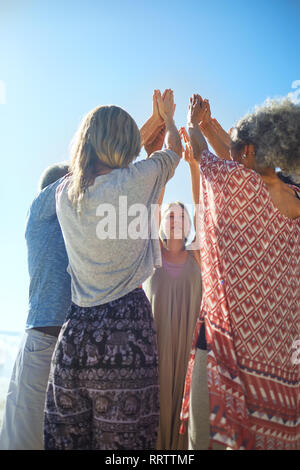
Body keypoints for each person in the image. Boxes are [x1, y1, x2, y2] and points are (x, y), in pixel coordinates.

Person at [44, 90, 182, 450]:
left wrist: (142, 124)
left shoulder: (65, 193)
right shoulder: (135, 180)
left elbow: (111, 153)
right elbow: (174, 150)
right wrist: (166, 119)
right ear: (126, 145)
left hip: (74, 337)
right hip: (126, 333)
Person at [180, 94, 300, 450]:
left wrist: (192, 123)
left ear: (246, 152)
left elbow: (203, 155)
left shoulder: (233, 183)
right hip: (280, 363)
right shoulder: (294, 197)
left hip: (225, 351)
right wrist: (212, 128)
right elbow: (244, 158)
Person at [0, 163, 71, 450]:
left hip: (66, 348)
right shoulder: (39, 210)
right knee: (23, 440)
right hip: (42, 342)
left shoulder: (76, 227)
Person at [143, 127, 202, 450]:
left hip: (191, 351)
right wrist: (167, 166)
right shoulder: (151, 254)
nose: (176, 219)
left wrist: (193, 165)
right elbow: (152, 204)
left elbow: (202, 206)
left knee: (186, 419)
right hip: (155, 350)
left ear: (190, 224)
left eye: (182, 216)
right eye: (170, 216)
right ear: (162, 224)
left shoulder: (198, 257)